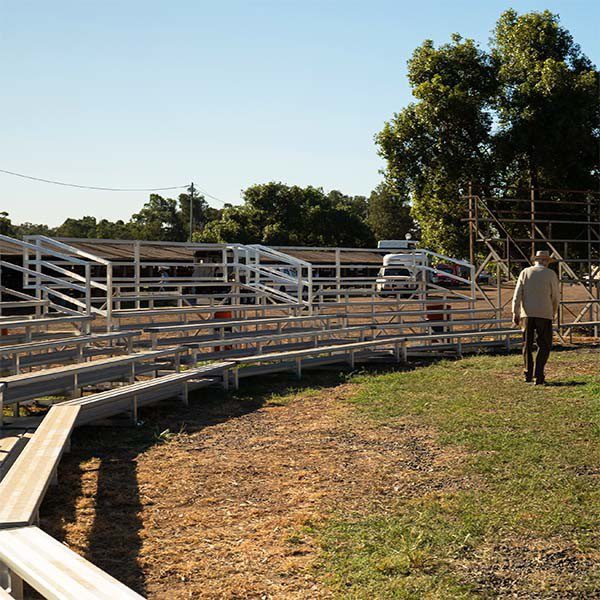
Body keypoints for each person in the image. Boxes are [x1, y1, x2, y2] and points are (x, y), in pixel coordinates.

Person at [511, 250, 559, 385]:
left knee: (527, 344)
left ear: (535, 260)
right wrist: (553, 312)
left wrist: (515, 312)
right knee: (544, 344)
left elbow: (517, 294)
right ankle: (539, 375)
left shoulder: (525, 272)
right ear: (545, 261)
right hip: (544, 314)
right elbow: (555, 296)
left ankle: (528, 373)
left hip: (527, 314)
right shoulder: (551, 274)